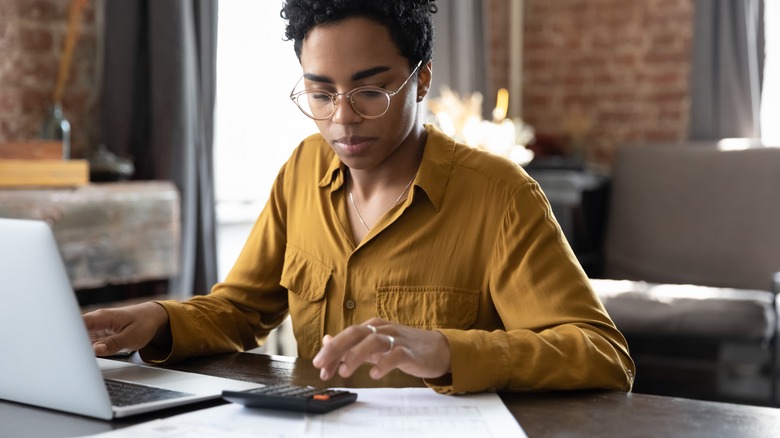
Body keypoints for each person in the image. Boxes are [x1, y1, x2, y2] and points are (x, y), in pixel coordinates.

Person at [84, 0, 635, 394]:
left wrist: (449, 352)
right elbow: (240, 311)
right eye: (320, 93)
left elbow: (602, 353)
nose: (342, 118)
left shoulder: (501, 197)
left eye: (370, 90)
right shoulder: (302, 168)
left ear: (421, 81)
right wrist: (156, 318)